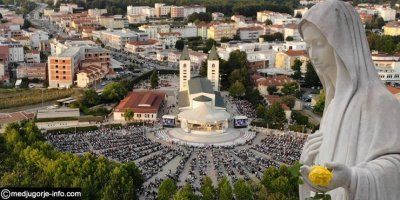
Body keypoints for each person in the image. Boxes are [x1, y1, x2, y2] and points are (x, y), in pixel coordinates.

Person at [298, 0, 400, 199]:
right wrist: (308, 163)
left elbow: (396, 167)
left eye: (319, 44)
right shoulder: (334, 104)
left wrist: (352, 179)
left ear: (343, 45)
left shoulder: (380, 103)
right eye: (308, 46)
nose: (312, 55)